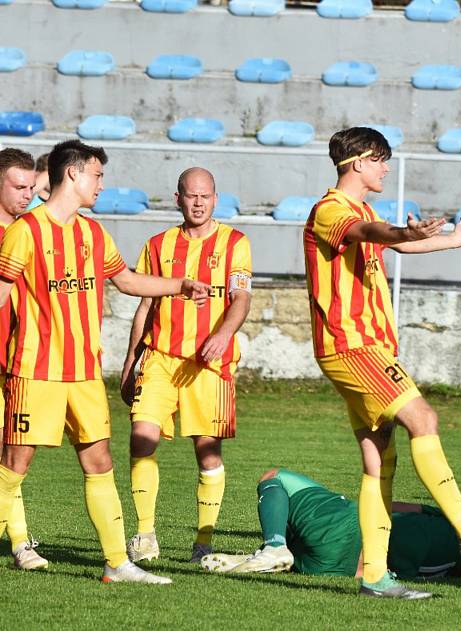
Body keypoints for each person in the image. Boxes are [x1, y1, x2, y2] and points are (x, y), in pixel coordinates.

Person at [304, 126, 461, 599]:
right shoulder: (332, 209)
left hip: (368, 347)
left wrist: (454, 242)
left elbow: (394, 242)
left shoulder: (360, 208)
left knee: (380, 460)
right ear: (357, 162)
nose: (385, 167)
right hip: (352, 344)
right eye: (380, 159)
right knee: (423, 417)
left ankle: (375, 576)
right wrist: (402, 230)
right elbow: (372, 233)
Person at [0, 140, 209, 584]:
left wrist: (179, 285)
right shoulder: (26, 232)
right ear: (73, 174)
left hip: (86, 374)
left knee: (100, 464)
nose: (101, 183)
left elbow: (127, 280)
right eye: (97, 175)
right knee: (13, 469)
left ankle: (117, 563)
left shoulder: (93, 233)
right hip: (36, 372)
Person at [121, 167, 252, 564]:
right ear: (177, 198)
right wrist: (131, 359)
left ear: (216, 198)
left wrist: (224, 333)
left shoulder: (235, 243)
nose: (198, 203)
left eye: (206, 196)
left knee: (207, 452)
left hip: (208, 365)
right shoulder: (158, 244)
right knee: (141, 438)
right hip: (160, 358)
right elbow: (146, 304)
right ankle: (145, 535)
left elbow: (241, 299)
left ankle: (203, 542)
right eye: (191, 195)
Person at [200, 468, 461, 582]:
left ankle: (274, 545)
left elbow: (397, 507)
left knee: (274, 477)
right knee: (298, 546)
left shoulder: (446, 524)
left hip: (340, 525)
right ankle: (274, 551)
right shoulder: (435, 573)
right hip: (328, 567)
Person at [0, 148, 47, 570]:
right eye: (18, 187)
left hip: (17, 364)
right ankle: (19, 543)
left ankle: (19, 544)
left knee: (12, 455)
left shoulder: (30, 233)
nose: (27, 196)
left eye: (31, 188)